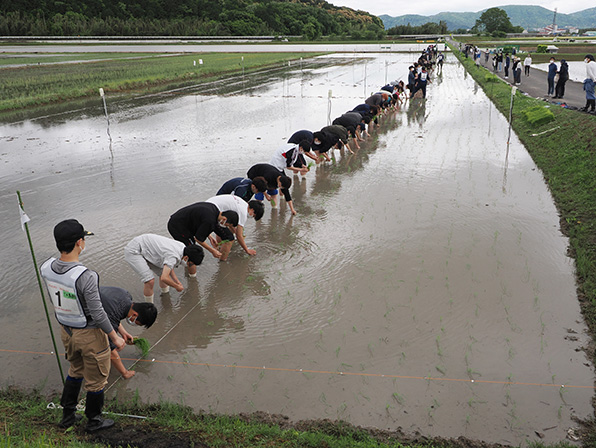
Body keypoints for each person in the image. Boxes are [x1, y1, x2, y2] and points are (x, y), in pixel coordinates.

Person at [40, 219, 125, 432]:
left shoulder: (46, 267)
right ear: (80, 242)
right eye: (84, 238)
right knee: (97, 380)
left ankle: (67, 416)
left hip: (66, 331)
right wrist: (115, 337)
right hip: (90, 334)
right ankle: (94, 421)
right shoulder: (86, 275)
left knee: (76, 370)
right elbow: (97, 312)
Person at [98, 286, 157, 379]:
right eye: (138, 323)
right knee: (101, 346)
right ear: (135, 315)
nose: (135, 324)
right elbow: (110, 350)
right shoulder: (112, 315)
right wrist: (125, 373)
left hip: (95, 296)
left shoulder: (126, 296)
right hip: (75, 309)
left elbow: (114, 317)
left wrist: (123, 333)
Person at [124, 233, 205, 301]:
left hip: (147, 248)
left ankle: (165, 297)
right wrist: (176, 286)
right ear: (186, 258)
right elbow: (164, 278)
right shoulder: (173, 256)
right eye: (190, 264)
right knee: (149, 280)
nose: (189, 266)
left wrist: (176, 281)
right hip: (135, 250)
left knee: (163, 271)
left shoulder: (182, 247)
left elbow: (169, 267)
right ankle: (149, 307)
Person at [167, 202, 239, 261]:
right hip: (177, 226)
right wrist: (212, 251)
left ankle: (186, 263)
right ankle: (190, 274)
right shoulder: (210, 221)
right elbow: (198, 239)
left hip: (184, 221)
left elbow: (201, 220)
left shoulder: (214, 208)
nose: (226, 226)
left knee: (192, 249)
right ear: (224, 219)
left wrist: (209, 236)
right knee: (192, 252)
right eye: (228, 224)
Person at [206, 194, 264, 259]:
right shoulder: (243, 212)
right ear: (252, 210)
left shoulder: (243, 203)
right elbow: (239, 236)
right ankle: (222, 260)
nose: (251, 216)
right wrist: (247, 250)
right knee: (229, 238)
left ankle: (220, 247)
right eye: (253, 215)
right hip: (211, 212)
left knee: (225, 228)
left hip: (207, 206)